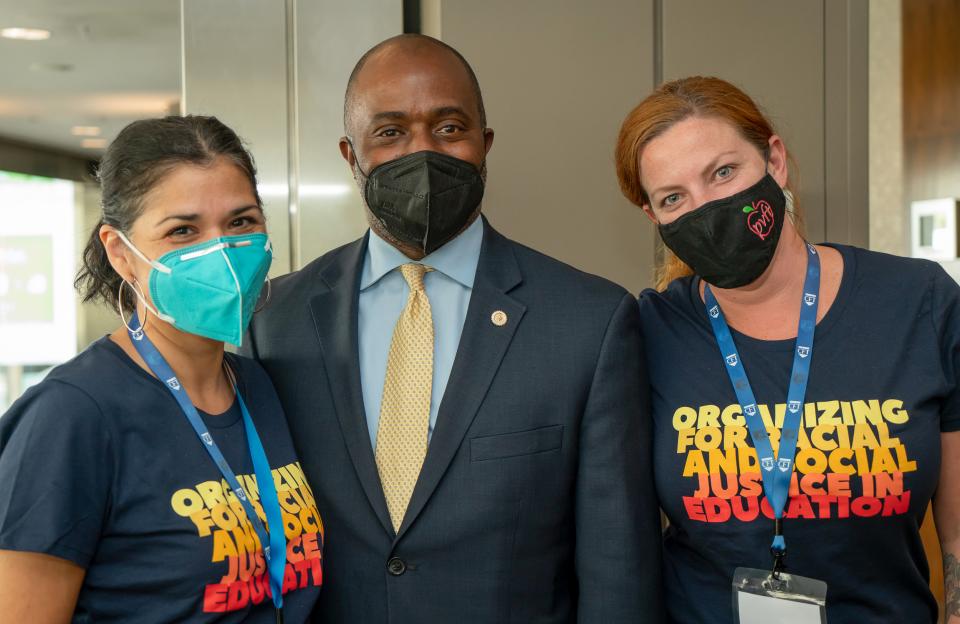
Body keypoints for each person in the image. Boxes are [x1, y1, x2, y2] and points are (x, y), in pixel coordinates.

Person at [241, 34, 663, 622]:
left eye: (449, 128)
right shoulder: (272, 321)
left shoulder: (589, 323)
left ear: (485, 143)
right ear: (349, 155)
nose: (423, 153)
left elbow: (618, 568)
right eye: (389, 132)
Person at [615, 75, 960, 623]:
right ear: (653, 218)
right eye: (673, 197)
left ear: (774, 161)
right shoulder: (645, 332)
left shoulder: (920, 303)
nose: (707, 209)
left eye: (723, 172)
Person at [0, 116, 324, 623]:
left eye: (241, 223)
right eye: (183, 231)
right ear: (120, 254)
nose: (218, 250)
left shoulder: (258, 385)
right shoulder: (72, 414)